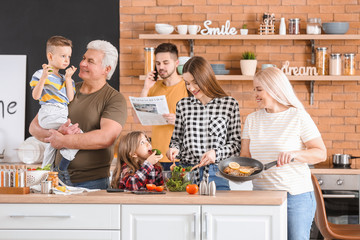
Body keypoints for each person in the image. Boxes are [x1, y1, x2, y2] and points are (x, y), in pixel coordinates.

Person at [240, 67, 327, 240]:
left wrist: (295, 154)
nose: (255, 94)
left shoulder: (298, 117)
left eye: (259, 89)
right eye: (254, 90)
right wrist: (235, 171)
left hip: (294, 197)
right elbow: (245, 158)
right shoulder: (252, 120)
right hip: (261, 195)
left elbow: (321, 153)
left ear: (273, 88)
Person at [29, 40, 127, 189]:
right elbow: (34, 127)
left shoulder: (114, 99)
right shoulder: (65, 88)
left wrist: (63, 140)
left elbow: (106, 137)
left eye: (90, 61)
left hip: (91, 183)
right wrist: (56, 133)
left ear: (106, 69)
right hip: (54, 180)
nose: (82, 64)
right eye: (83, 58)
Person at [166, 56, 241, 190]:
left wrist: (215, 153)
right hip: (186, 173)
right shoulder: (183, 105)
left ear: (206, 78)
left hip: (217, 174)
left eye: (195, 82)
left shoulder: (229, 104)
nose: (191, 87)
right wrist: (174, 149)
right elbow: (176, 140)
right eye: (187, 83)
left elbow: (236, 145)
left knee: (216, 211)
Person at [29, 36, 79, 185]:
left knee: (52, 143)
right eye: (63, 56)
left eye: (69, 56)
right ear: (50, 56)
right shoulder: (40, 74)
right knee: (77, 135)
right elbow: (36, 95)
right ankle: (62, 168)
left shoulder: (65, 78)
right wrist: (44, 77)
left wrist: (69, 78)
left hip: (62, 112)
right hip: (49, 112)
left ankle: (46, 173)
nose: (67, 60)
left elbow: (70, 98)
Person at [138, 43, 188, 170]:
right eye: (158, 63)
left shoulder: (188, 88)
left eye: (166, 63)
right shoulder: (153, 86)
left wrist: (179, 121)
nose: (161, 67)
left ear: (176, 63)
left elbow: (201, 123)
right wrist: (145, 89)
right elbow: (137, 118)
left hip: (180, 158)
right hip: (157, 157)